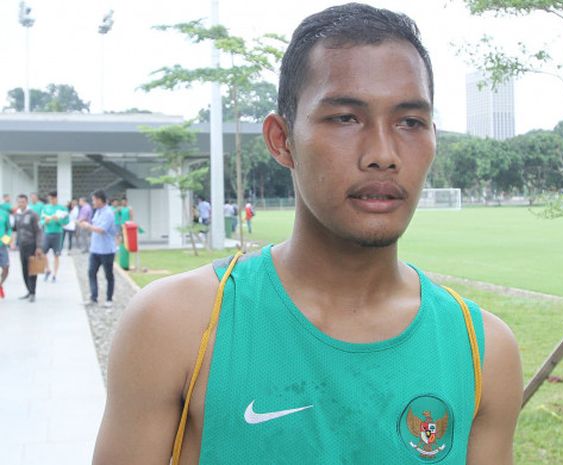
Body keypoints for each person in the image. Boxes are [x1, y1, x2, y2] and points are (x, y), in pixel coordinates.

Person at [93, 4, 522, 465]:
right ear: (282, 140)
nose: (383, 153)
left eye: (409, 122)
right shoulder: (176, 325)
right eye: (345, 118)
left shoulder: (483, 351)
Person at [80, 189, 117, 308]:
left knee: (108, 275)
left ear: (100, 200)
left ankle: (109, 299)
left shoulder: (108, 213)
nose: (93, 202)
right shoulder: (98, 211)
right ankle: (93, 297)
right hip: (95, 249)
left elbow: (101, 230)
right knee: (91, 273)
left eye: (94, 200)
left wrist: (87, 226)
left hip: (106, 250)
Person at [12, 194, 42, 302]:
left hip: (32, 245)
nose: (21, 204)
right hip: (22, 246)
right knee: (24, 269)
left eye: (23, 202)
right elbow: (14, 230)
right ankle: (28, 291)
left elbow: (39, 231)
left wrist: (38, 246)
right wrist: (11, 242)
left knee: (32, 269)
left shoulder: (33, 214)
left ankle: (33, 292)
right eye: (19, 202)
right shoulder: (17, 215)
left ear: (26, 202)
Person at [40, 191, 69, 282]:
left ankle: (54, 275)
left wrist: (58, 221)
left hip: (58, 234)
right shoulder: (45, 208)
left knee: (56, 255)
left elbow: (66, 222)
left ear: (56, 198)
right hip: (47, 233)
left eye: (53, 198)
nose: (51, 200)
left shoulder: (62, 208)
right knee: (42, 253)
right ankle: (48, 269)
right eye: (50, 199)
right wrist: (45, 222)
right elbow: (41, 221)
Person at [0, 203, 11, 298]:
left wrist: (6, 239)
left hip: (2, 246)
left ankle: (0, 284)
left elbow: (9, 229)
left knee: (6, 268)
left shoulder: (4, 213)